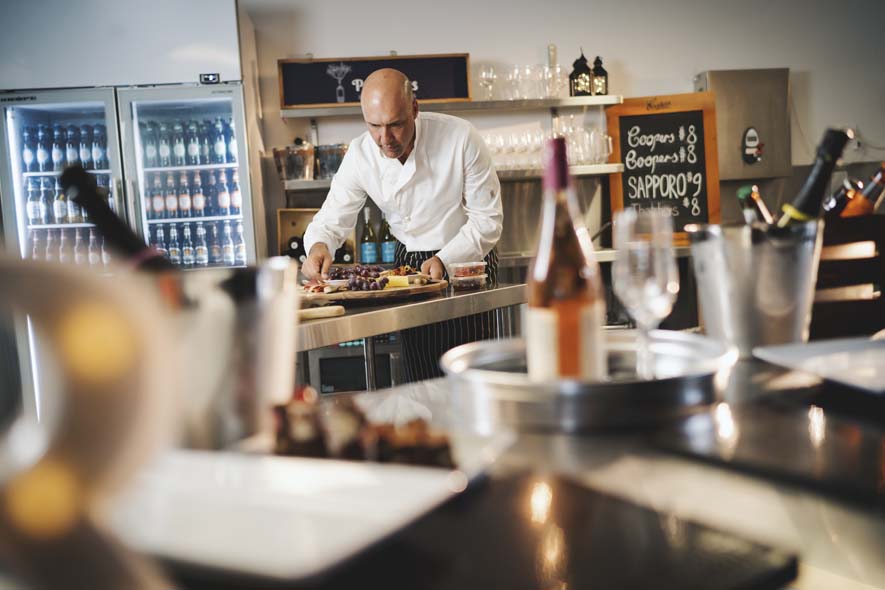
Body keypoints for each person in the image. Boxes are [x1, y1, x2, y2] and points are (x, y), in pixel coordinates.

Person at [302, 68, 503, 381]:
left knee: (472, 373)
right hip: (408, 263)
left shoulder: (460, 137)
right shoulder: (360, 153)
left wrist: (446, 261)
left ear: (415, 109)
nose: (385, 139)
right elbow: (333, 215)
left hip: (467, 257)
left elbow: (487, 220)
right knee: (421, 372)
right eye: (374, 126)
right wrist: (318, 245)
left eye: (395, 125)